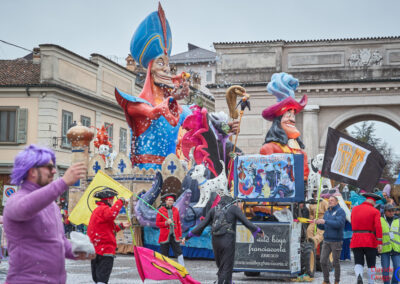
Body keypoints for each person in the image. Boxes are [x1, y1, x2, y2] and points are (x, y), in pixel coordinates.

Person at [3, 144, 94, 283]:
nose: (53, 171)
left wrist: (78, 251)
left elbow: (59, 241)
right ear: (32, 171)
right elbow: (26, 207)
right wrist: (62, 182)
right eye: (49, 167)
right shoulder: (15, 200)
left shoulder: (51, 205)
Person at [183, 195, 264, 284]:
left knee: (221, 265)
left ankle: (227, 281)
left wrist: (188, 236)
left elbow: (202, 225)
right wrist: (258, 230)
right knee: (227, 266)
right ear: (234, 202)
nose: (241, 205)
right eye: (240, 203)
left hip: (215, 241)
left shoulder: (214, 209)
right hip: (227, 240)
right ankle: (222, 282)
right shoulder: (234, 208)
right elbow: (246, 222)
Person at [87, 187, 131, 284]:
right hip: (104, 248)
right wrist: (121, 201)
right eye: (113, 200)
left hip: (96, 249)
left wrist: (122, 226)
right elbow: (112, 214)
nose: (113, 202)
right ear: (109, 200)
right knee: (102, 278)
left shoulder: (98, 210)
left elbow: (108, 228)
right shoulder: (104, 209)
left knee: (98, 277)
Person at [351, 192, 383, 284]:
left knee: (358, 261)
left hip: (356, 238)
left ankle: (359, 276)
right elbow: (378, 227)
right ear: (373, 201)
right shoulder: (375, 211)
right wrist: (379, 242)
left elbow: (352, 223)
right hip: (370, 239)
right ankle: (371, 282)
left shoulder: (355, 209)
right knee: (371, 263)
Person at [314, 196, 346, 284]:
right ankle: (326, 280)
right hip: (326, 240)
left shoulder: (341, 212)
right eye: (329, 200)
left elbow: (339, 224)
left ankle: (336, 281)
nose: (330, 202)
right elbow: (324, 226)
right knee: (322, 261)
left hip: (336, 241)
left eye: (332, 200)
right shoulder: (327, 212)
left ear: (336, 202)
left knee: (336, 262)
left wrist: (325, 221)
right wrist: (318, 223)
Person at [156, 193, 185, 266]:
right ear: (166, 201)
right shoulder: (161, 210)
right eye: (169, 200)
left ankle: (182, 267)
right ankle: (165, 267)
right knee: (164, 253)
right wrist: (166, 222)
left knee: (179, 252)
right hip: (165, 236)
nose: (171, 202)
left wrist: (180, 236)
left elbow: (178, 223)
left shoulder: (176, 210)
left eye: (172, 200)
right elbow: (157, 223)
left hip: (174, 236)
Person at [380, 203, 400, 284]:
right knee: (385, 270)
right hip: (384, 249)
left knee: (398, 269)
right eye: (389, 211)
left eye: (393, 210)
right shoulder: (380, 220)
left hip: (396, 249)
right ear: (385, 212)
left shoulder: (398, 220)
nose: (392, 212)